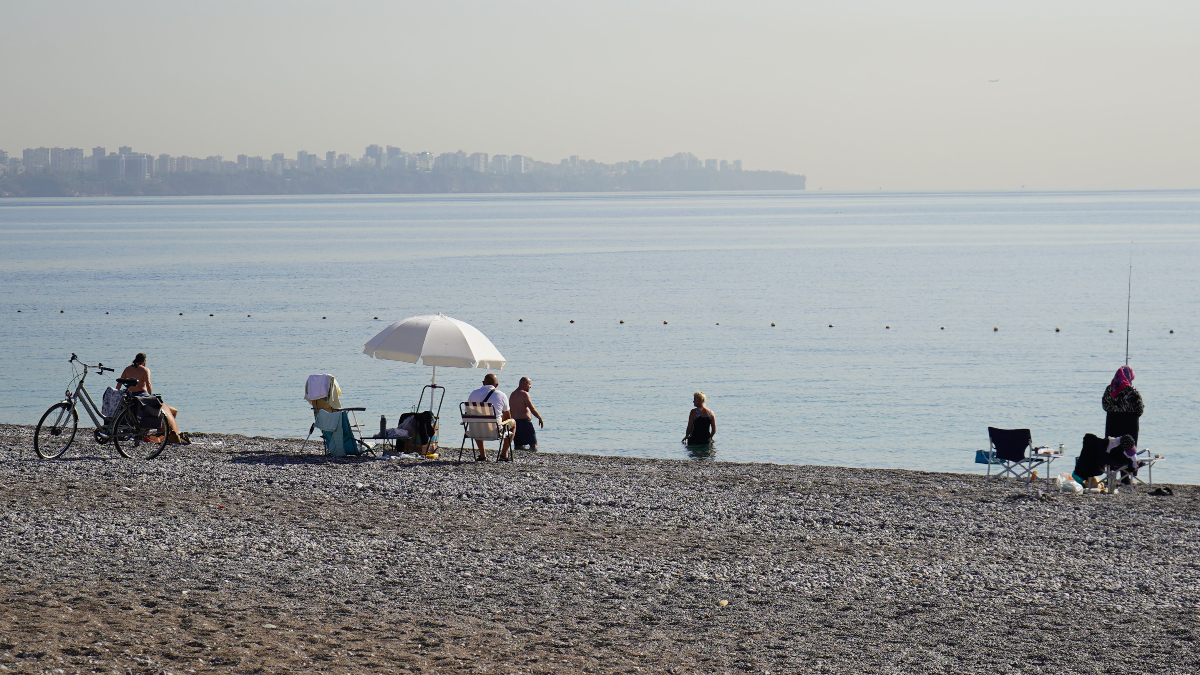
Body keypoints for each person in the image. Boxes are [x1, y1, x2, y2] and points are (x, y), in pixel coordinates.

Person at [119, 352, 185, 444]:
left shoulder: (127, 369)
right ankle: (157, 432)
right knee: (155, 410)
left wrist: (117, 393)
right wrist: (151, 397)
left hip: (130, 395)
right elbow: (148, 384)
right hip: (141, 395)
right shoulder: (145, 370)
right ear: (144, 361)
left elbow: (119, 383)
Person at [467, 373, 514, 461]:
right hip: (494, 432)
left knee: (477, 422)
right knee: (513, 422)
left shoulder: (473, 394)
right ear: (496, 385)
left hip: (476, 431)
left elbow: (468, 412)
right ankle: (504, 454)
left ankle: (482, 455)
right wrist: (501, 421)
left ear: (483, 383)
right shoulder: (501, 395)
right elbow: (508, 417)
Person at [1103, 365, 1144, 445]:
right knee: (1128, 449)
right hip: (1130, 425)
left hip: (1112, 423)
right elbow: (1140, 409)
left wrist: (1114, 410)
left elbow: (1105, 406)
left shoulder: (1109, 389)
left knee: (1112, 448)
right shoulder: (1132, 390)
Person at [509, 377, 544, 452]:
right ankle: (532, 456)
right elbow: (532, 408)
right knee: (533, 445)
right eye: (529, 384)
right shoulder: (524, 394)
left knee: (518, 446)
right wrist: (539, 418)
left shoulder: (513, 394)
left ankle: (520, 457)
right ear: (524, 384)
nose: (530, 387)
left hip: (515, 423)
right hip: (525, 423)